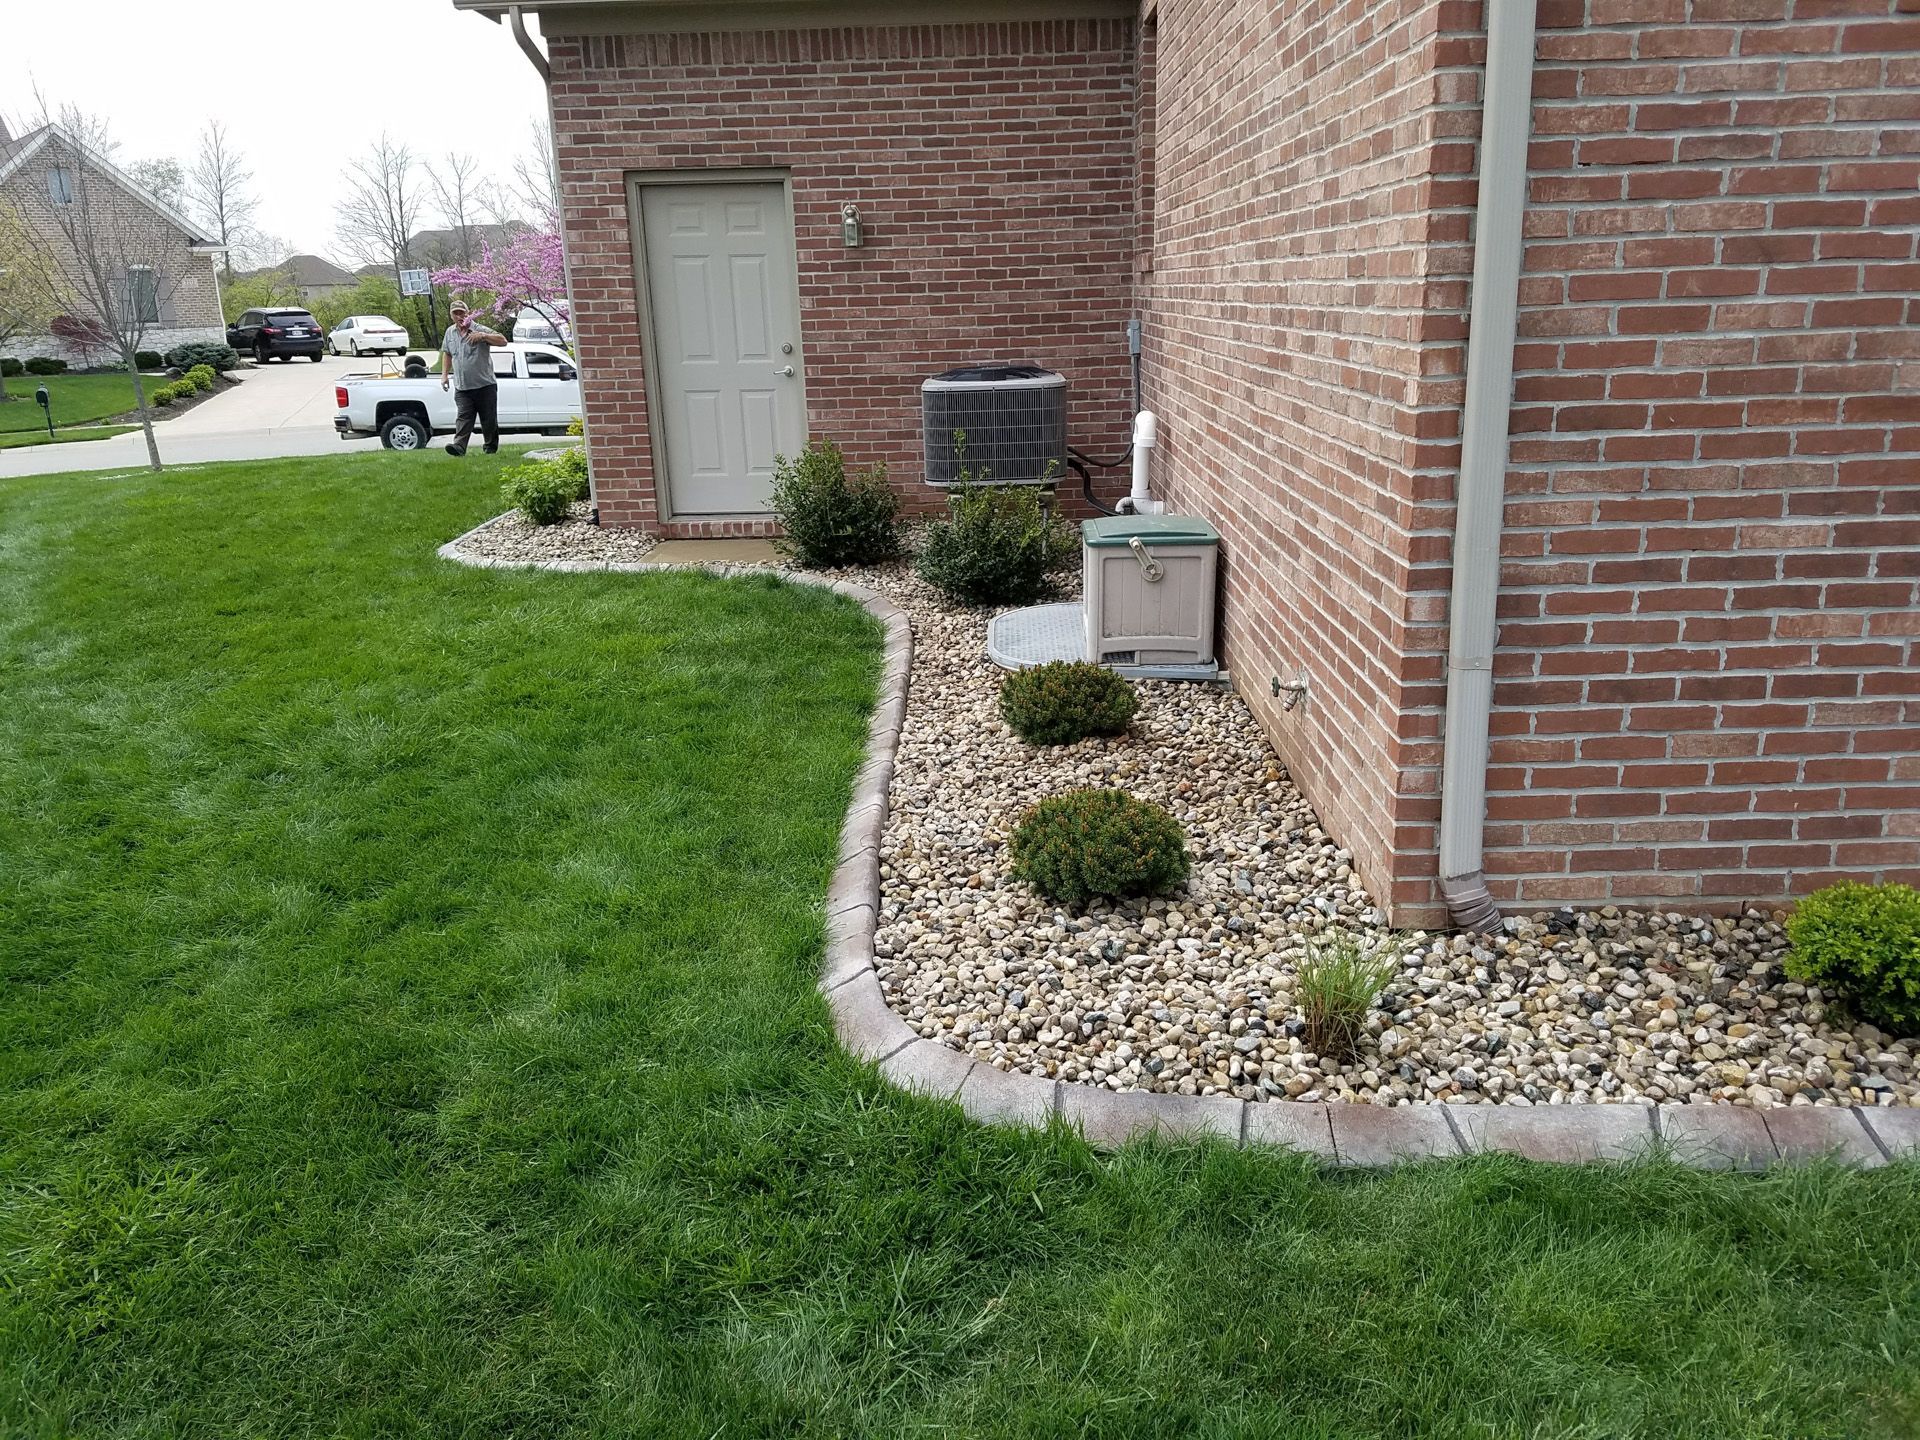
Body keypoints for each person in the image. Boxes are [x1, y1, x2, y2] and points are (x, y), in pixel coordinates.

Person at [439, 300, 508, 456]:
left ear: (468, 313)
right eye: (455, 313)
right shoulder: (450, 333)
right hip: (462, 386)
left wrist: (483, 336)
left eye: (461, 312)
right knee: (463, 418)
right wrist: (444, 375)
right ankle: (459, 447)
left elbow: (503, 341)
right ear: (451, 315)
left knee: (488, 420)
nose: (459, 316)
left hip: (484, 385)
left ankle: (490, 448)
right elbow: (447, 353)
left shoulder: (479, 329)